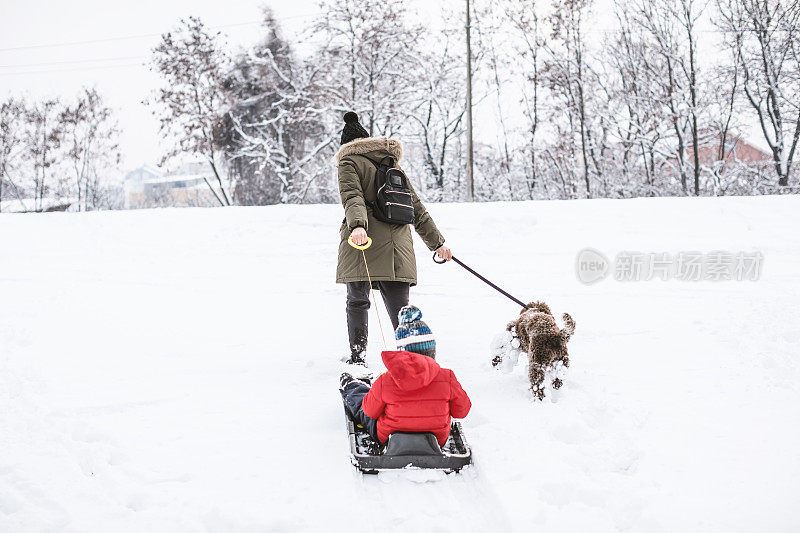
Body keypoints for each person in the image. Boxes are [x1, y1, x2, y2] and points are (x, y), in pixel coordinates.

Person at [335, 111, 452, 365]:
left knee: (357, 301)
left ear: (346, 146)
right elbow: (417, 208)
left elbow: (352, 196)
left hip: (362, 241)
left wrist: (357, 225)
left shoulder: (348, 162)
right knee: (400, 307)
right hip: (399, 244)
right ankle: (413, 357)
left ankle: (358, 357)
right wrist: (438, 243)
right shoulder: (391, 164)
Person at [340, 305, 471, 447]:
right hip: (437, 439)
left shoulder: (386, 380)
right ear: (432, 351)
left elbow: (370, 411)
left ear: (402, 352)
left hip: (388, 438)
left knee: (363, 405)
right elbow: (462, 411)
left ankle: (351, 385)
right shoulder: (447, 377)